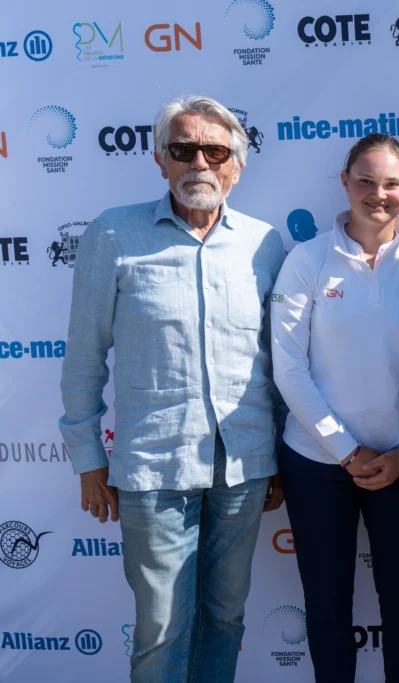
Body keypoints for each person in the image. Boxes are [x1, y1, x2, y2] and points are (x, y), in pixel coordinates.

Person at [59, 95, 286, 683]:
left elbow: (279, 361)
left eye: (215, 151)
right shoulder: (114, 233)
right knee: (161, 630)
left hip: (245, 466)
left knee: (225, 617)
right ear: (160, 159)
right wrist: (88, 457)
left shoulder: (265, 246)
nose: (199, 164)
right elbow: (85, 356)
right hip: (152, 468)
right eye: (183, 150)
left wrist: (280, 457)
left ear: (236, 165)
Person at [270, 133, 399, 683]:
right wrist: (345, 451)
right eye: (365, 180)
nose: (378, 193)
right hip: (317, 464)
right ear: (345, 183)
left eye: (391, 183)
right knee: (326, 607)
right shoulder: (307, 260)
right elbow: (289, 368)